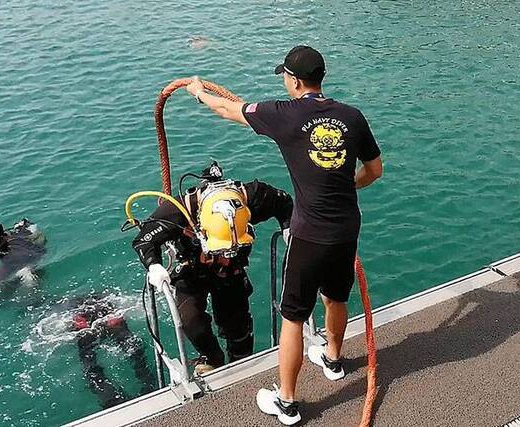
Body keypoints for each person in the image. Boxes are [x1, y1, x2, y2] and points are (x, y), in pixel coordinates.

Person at [185, 46, 383, 425]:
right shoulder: (351, 117)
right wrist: (345, 187)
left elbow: (227, 109)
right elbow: (374, 170)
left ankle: (287, 402)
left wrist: (197, 90)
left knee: (293, 317)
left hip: (309, 233)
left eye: (285, 77)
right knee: (336, 297)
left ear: (292, 80)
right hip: (346, 227)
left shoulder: (283, 114)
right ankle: (333, 360)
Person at [132, 162, 293, 374]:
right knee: (190, 321)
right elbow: (143, 241)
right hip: (191, 269)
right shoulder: (178, 211)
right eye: (221, 250)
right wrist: (154, 265)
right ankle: (212, 357)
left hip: (231, 273)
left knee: (238, 328)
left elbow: (285, 204)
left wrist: (289, 227)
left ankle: (241, 362)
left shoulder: (254, 197)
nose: (225, 255)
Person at [57, 293, 157, 408]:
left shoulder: (67, 309)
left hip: (84, 318)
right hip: (105, 310)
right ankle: (149, 385)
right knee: (133, 349)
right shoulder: (104, 302)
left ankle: (111, 399)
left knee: (89, 362)